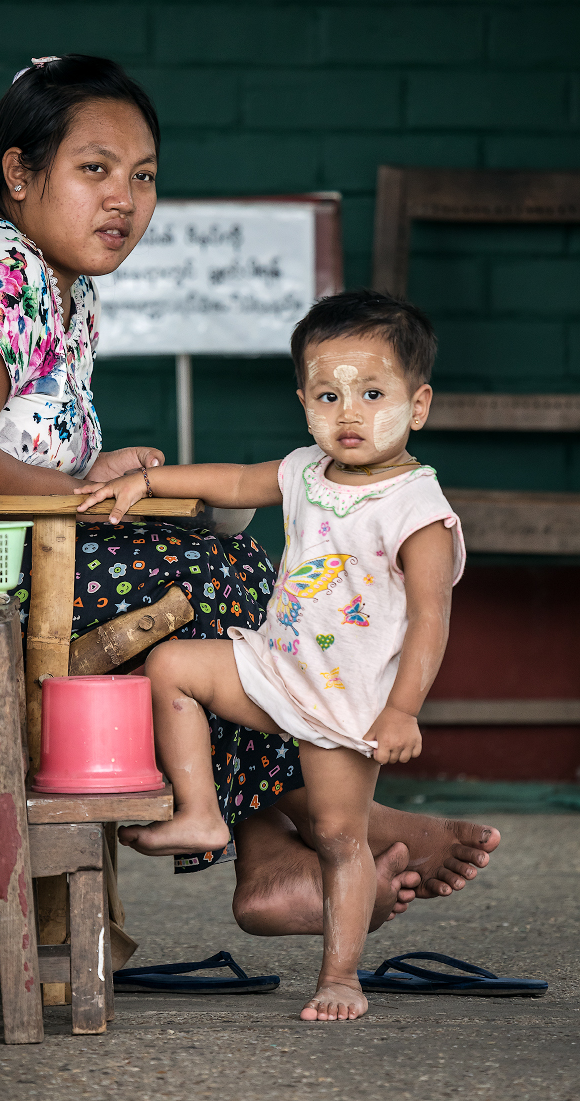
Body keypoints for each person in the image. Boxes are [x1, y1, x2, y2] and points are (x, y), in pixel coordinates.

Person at [0, 57, 498, 938]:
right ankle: (311, 823)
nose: (124, 198)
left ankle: (288, 831)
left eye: (144, 176)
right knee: (210, 583)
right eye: (94, 168)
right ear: (19, 172)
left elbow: (0, 445)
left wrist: (98, 470)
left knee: (229, 569)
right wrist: (81, 488)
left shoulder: (57, 281)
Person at [77, 290, 472, 1022]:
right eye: (328, 394)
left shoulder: (418, 510)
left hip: (343, 703)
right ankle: (201, 815)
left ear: (418, 406)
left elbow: (429, 620)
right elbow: (231, 482)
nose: (348, 413)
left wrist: (403, 709)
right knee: (171, 665)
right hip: (273, 668)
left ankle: (341, 978)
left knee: (336, 837)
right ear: (303, 400)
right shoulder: (304, 471)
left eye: (372, 393)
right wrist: (146, 482)